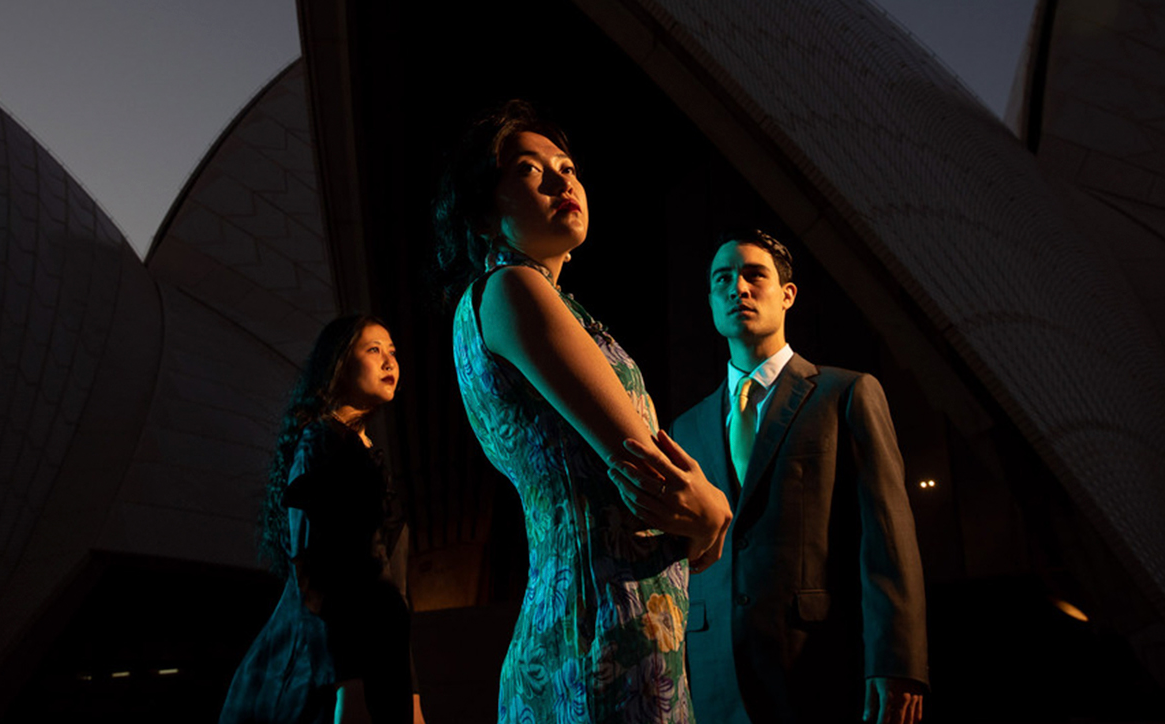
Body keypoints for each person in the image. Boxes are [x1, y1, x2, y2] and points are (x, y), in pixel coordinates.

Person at [435, 100, 732, 723]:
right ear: (486, 212)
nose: (561, 179)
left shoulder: (526, 300)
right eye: (527, 170)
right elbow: (642, 465)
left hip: (597, 623)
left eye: (567, 166)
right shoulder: (513, 287)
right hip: (604, 634)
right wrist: (710, 511)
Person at [612, 230, 928, 724]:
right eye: (722, 279)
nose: (737, 288)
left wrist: (897, 660)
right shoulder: (684, 429)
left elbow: (886, 537)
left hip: (820, 660)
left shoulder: (846, 394)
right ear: (711, 302)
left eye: (753, 274)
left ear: (788, 294)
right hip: (711, 669)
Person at [220, 315, 424, 724]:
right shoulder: (321, 443)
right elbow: (316, 573)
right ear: (339, 365)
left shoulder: (366, 452)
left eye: (392, 352)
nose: (389, 362)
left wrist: (412, 691)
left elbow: (391, 593)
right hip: (331, 676)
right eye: (373, 350)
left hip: (378, 668)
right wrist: (346, 685)